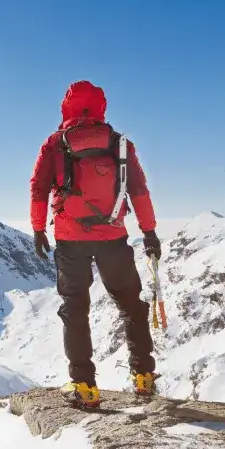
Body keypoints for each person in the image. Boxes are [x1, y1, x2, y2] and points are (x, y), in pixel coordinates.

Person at [29, 80, 162, 408]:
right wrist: (149, 232)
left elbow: (38, 188)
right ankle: (143, 378)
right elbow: (139, 190)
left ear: (66, 107)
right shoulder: (119, 143)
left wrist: (38, 229)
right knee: (131, 304)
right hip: (113, 237)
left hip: (70, 239)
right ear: (101, 107)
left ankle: (85, 388)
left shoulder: (54, 143)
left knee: (75, 309)